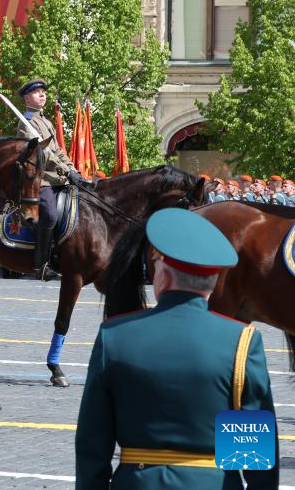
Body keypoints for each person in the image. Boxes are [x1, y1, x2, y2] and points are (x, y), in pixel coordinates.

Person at [76, 207, 277, 488]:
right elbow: (254, 452)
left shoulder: (115, 336)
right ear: (212, 282)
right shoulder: (241, 341)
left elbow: (92, 445)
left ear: (164, 276)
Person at [16, 80, 86, 281]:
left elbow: (58, 150)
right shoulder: (26, 122)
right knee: (49, 216)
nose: (42, 95)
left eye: (43, 92)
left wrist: (72, 168)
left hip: (58, 177)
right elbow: (41, 153)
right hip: (41, 179)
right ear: (27, 98)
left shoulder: (46, 122)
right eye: (37, 92)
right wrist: (65, 170)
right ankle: (41, 264)